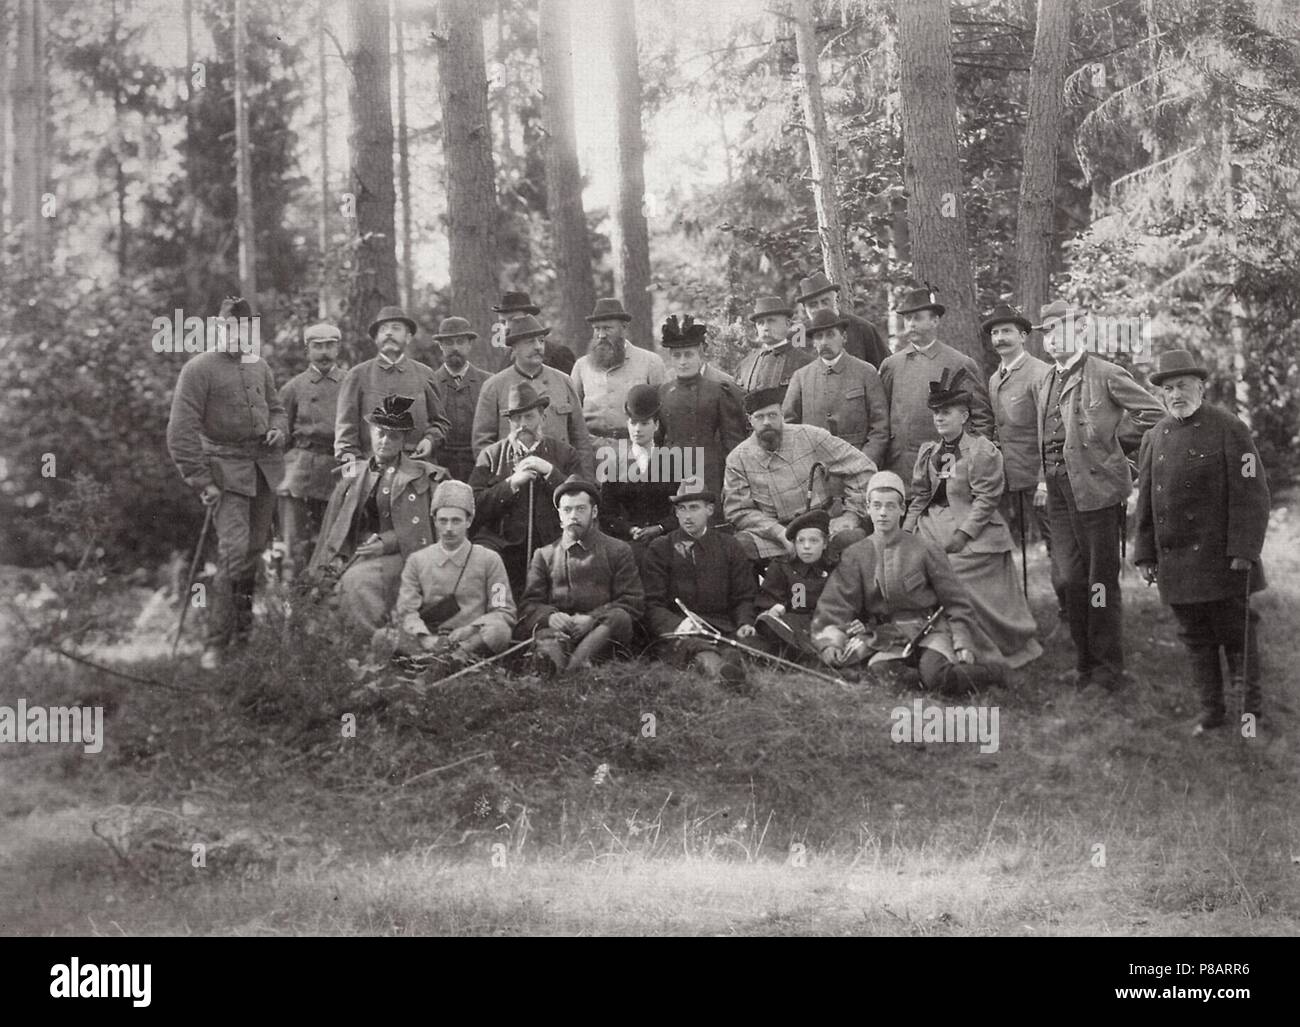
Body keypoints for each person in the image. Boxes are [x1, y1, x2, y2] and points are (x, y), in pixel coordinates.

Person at [1134, 349, 1270, 734]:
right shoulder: (1155, 436)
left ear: (1201, 387)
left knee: (1236, 635)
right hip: (1175, 563)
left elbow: (1252, 493)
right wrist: (1145, 554)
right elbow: (1146, 501)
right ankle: (1211, 712)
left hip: (1222, 559)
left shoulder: (1229, 428)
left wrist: (1244, 550)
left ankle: (1249, 713)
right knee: (1195, 639)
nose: (1175, 394)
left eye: (1182, 386)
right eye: (1167, 388)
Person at [1035, 299, 1164, 690]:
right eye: (1048, 332)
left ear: (1080, 332)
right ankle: (1084, 664)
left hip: (1098, 495)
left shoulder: (1105, 373)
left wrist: (1118, 457)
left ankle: (1109, 670)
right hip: (1059, 495)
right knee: (1070, 579)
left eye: (1061, 329)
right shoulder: (1045, 380)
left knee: (1098, 583)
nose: (1054, 338)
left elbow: (1154, 416)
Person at [166, 296, 286, 669]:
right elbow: (180, 432)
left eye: (245, 328)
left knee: (252, 554)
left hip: (264, 470)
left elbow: (277, 409)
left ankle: (244, 635)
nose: (238, 335)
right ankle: (216, 643)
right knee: (234, 553)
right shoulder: (198, 369)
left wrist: (278, 431)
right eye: (231, 327)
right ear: (219, 329)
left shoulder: (259, 366)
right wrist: (202, 480)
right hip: (225, 474)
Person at [813, 471, 1004, 694]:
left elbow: (956, 602)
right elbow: (834, 604)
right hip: (887, 636)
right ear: (867, 508)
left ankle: (992, 673)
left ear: (902, 509)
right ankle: (917, 676)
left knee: (936, 678)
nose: (883, 513)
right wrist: (831, 642)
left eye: (890, 506)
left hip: (930, 629)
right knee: (883, 675)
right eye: (877, 505)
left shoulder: (925, 549)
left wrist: (963, 642)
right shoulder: (856, 555)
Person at [903, 370, 1042, 669]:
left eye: (946, 413)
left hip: (972, 527)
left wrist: (964, 534)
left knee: (957, 571)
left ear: (964, 416)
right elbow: (919, 496)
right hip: (931, 524)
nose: (939, 419)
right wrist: (903, 533)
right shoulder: (930, 452)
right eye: (936, 413)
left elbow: (987, 499)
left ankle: (986, 648)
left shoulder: (982, 451)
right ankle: (933, 645)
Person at [308, 396, 441, 633]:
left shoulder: (422, 476)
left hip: (404, 555)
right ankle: (336, 652)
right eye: (380, 433)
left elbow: (427, 531)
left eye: (394, 437)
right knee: (322, 586)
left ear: (404, 441)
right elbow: (335, 528)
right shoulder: (353, 476)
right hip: (357, 549)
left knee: (356, 582)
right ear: (370, 433)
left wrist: (388, 542)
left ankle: (373, 642)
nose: (385, 441)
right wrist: (339, 554)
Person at [723, 386, 875, 568]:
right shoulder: (738, 459)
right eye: (759, 417)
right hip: (775, 533)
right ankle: (760, 596)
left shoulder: (811, 436)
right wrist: (779, 533)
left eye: (772, 415)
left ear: (782, 415)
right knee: (739, 546)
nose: (766, 423)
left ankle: (845, 594)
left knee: (853, 538)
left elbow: (863, 468)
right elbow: (738, 511)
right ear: (750, 420)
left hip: (823, 525)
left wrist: (851, 515)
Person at [518, 477, 644, 676]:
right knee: (546, 640)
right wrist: (550, 616)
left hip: (602, 633)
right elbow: (530, 604)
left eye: (580, 509)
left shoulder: (618, 550)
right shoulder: (544, 554)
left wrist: (592, 619)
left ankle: (571, 671)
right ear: (559, 515)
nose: (573, 516)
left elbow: (632, 602)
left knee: (620, 617)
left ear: (594, 512)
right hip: (561, 630)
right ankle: (563, 671)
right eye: (567, 510)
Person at [468, 383, 583, 597]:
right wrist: (510, 484)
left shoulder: (565, 454)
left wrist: (550, 472)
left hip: (552, 544)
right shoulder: (491, 456)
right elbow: (473, 506)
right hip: (503, 548)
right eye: (516, 419)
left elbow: (581, 500)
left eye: (529, 417)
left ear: (542, 417)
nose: (523, 425)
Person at [387, 480, 516, 667]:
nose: (448, 528)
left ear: (469, 521)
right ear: (434, 521)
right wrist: (425, 638)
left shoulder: (489, 559)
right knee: (383, 636)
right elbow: (406, 610)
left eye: (456, 520)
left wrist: (471, 629)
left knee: (500, 631)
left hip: (470, 640)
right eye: (443, 520)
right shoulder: (417, 560)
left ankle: (453, 659)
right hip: (428, 638)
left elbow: (503, 610)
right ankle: (432, 660)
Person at [642, 483, 757, 686]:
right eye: (681, 509)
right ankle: (722, 676)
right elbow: (652, 604)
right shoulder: (661, 548)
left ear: (710, 510)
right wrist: (680, 625)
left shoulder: (729, 546)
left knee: (735, 649)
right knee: (700, 651)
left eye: (694, 508)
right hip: (679, 630)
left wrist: (744, 622)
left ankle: (730, 669)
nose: (687, 516)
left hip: (722, 627)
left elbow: (744, 595)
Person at [879, 286, 993, 478]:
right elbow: (880, 417)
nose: (911, 324)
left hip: (946, 468)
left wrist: (970, 460)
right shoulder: (892, 365)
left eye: (917, 318)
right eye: (907, 319)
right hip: (901, 467)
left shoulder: (959, 363)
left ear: (935, 320)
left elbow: (981, 419)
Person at [472, 314, 594, 479]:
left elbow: (581, 440)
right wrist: (503, 481)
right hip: (513, 479)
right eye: (530, 342)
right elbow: (482, 443)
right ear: (514, 349)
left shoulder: (564, 382)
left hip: (559, 478)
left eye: (541, 341)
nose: (538, 347)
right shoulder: (494, 386)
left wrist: (583, 482)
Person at [984, 303, 1053, 571]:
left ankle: (1070, 603)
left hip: (1039, 480)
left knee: (1056, 544)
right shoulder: (994, 378)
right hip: (1010, 478)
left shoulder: (1040, 373)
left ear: (1023, 336)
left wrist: (1044, 481)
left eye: (1006, 331)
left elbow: (1050, 430)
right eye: (994, 333)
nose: (999, 338)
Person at [334, 305, 451, 463]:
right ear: (376, 339)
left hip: (417, 467)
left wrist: (430, 440)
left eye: (396, 328)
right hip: (372, 469)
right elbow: (345, 438)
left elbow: (441, 423)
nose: (389, 333)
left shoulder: (425, 374)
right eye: (383, 330)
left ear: (408, 337)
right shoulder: (357, 376)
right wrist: (356, 476)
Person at [657, 314, 748, 516]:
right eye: (677, 355)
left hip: (708, 471)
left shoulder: (718, 391)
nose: (682, 362)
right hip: (672, 470)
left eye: (688, 355)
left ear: (700, 355)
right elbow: (658, 439)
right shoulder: (663, 392)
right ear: (670, 357)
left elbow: (732, 442)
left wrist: (731, 481)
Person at [277, 321, 343, 582]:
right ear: (308, 351)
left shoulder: (351, 383)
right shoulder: (294, 388)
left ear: (337, 349)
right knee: (296, 546)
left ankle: (329, 612)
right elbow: (281, 433)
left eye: (329, 346)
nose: (324, 352)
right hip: (300, 471)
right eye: (318, 347)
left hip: (338, 470)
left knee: (333, 543)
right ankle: (294, 610)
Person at [783, 307, 889, 467]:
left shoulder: (866, 372)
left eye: (831, 335)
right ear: (813, 342)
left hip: (858, 464)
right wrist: (803, 463)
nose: (824, 342)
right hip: (815, 469)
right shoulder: (801, 377)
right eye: (819, 336)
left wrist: (863, 463)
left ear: (844, 337)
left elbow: (880, 427)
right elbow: (788, 426)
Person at [596, 384, 681, 568]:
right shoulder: (614, 461)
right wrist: (630, 529)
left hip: (667, 541)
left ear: (656, 425)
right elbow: (606, 513)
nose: (637, 429)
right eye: (633, 423)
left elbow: (682, 509)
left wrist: (659, 528)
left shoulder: (673, 461)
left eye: (644, 423)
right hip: (626, 543)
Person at [571, 297, 667, 455]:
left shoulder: (650, 362)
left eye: (607, 328)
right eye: (597, 329)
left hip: (636, 450)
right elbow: (573, 414)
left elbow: (663, 414)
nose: (601, 335)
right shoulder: (582, 366)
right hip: (592, 451)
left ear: (624, 327)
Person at [753, 509, 834, 660]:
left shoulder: (834, 569)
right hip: (792, 624)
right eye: (800, 541)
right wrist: (777, 608)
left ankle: (807, 654)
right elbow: (768, 601)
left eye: (814, 541)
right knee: (767, 626)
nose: (807, 546)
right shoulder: (781, 567)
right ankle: (806, 654)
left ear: (825, 543)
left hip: (825, 625)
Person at [430, 316, 491, 483]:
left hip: (479, 465)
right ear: (441, 346)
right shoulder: (429, 383)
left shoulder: (488, 383)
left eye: (461, 341)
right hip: (440, 468)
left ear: (469, 344)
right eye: (449, 342)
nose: (455, 348)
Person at [795, 270, 889, 368]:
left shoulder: (862, 328)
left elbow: (885, 370)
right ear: (805, 308)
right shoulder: (797, 336)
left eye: (825, 302)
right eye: (813, 305)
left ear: (837, 299)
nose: (820, 308)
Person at [735, 295, 815, 393]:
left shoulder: (805, 363)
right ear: (756, 329)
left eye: (771, 321)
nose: (765, 327)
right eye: (760, 323)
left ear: (788, 324)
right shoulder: (744, 365)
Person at [492, 290, 576, 374]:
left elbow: (567, 385)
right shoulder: (508, 358)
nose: (507, 327)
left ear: (530, 317)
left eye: (512, 320)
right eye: (503, 322)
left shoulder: (558, 354)